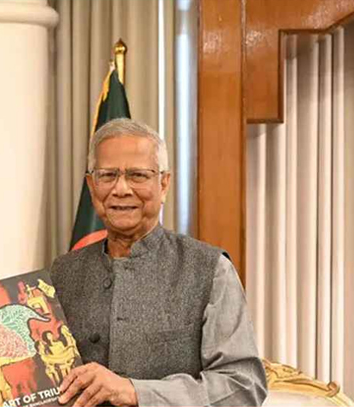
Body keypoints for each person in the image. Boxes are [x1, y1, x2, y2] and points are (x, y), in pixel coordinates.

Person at [51, 118, 268, 407]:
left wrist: (136, 392)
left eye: (138, 175)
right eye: (108, 175)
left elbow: (242, 386)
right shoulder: (62, 273)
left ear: (164, 184)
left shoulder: (209, 269)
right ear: (92, 186)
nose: (121, 189)